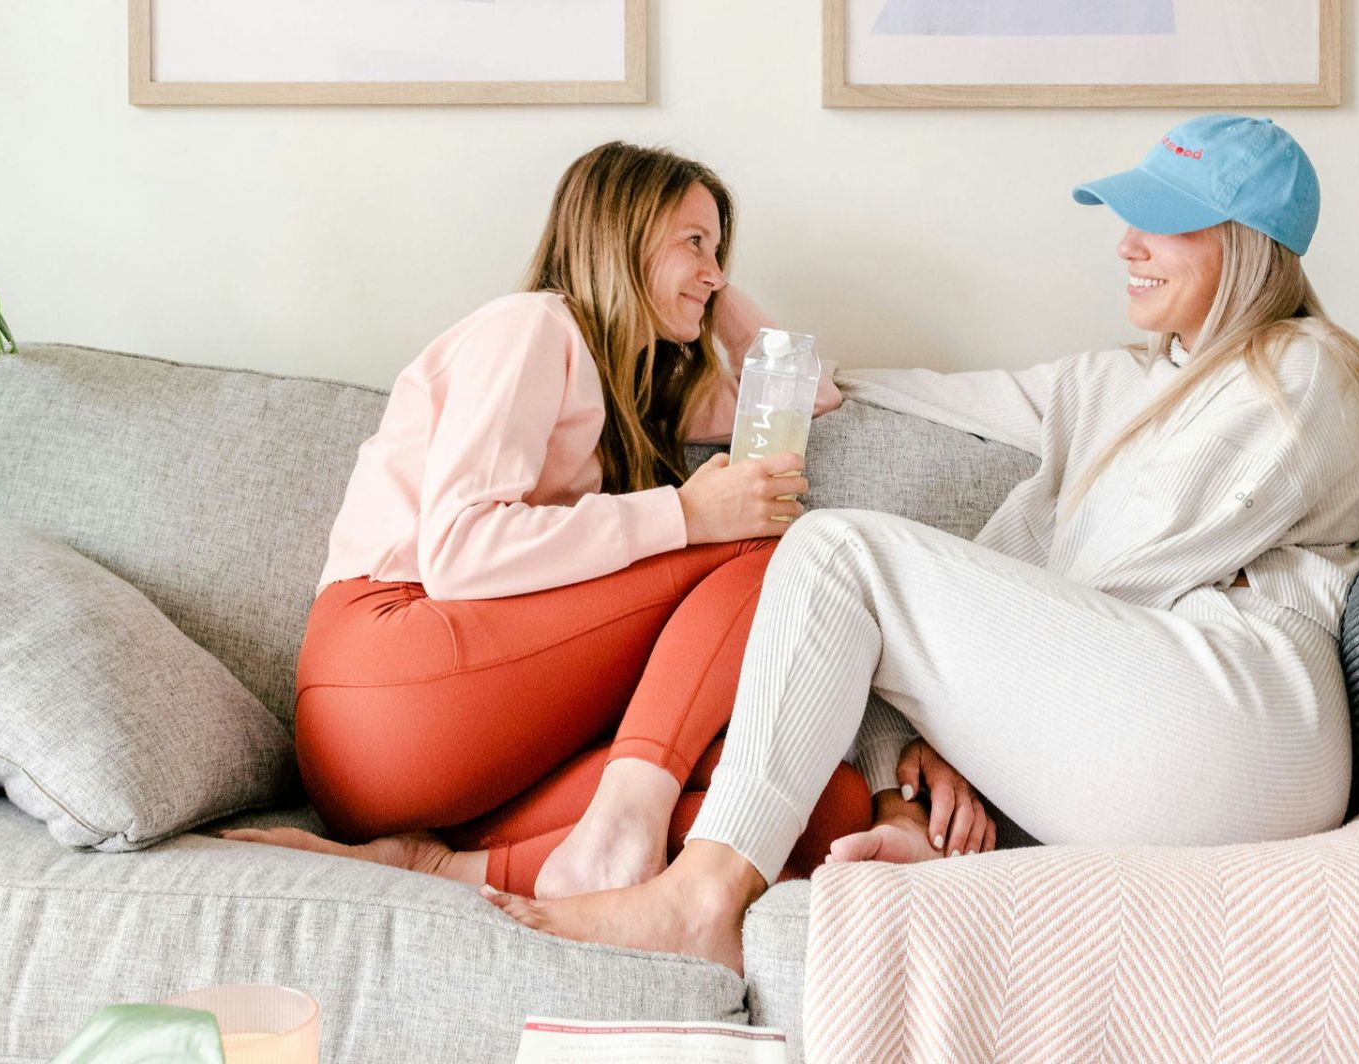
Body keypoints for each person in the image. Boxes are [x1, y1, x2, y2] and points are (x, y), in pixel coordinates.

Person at [485, 115, 1359, 972]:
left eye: (1161, 221)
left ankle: (703, 898)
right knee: (842, 571)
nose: (1127, 244)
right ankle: (928, 844)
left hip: (1250, 723)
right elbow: (879, 391)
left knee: (836, 551)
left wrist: (962, 718)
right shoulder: (1112, 383)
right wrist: (738, 321)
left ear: (1244, 242)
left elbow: (1138, 562)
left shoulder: (1305, 367)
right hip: (1146, 741)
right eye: (1130, 219)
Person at [225, 141, 984, 899]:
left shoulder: (631, 386)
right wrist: (685, 513)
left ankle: (440, 865)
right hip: (389, 670)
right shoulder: (530, 327)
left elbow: (807, 393)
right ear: (619, 235)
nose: (715, 271)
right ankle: (624, 821)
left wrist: (705, 282)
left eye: (719, 252)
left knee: (829, 810)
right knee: (771, 540)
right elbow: (459, 549)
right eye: (693, 242)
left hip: (463, 749)